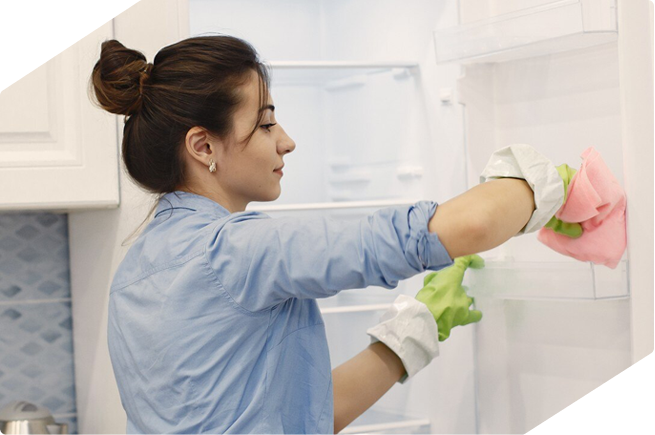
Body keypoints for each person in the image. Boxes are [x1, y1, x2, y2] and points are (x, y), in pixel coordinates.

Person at [89, 35, 578, 434]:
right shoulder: (236, 250)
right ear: (203, 145)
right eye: (265, 123)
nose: (286, 140)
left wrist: (415, 330)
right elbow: (466, 225)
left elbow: (303, 418)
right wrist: (548, 184)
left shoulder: (133, 273)